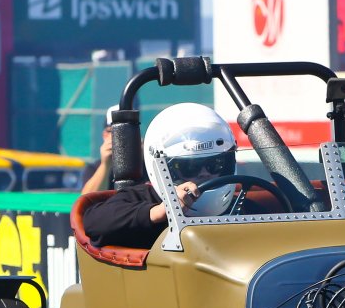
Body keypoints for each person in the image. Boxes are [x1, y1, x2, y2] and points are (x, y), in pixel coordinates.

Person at [81, 103, 233, 249]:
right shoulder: (145, 195)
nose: (205, 173)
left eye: (215, 164)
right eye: (190, 166)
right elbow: (92, 221)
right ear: (169, 168)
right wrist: (159, 211)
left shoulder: (237, 203)